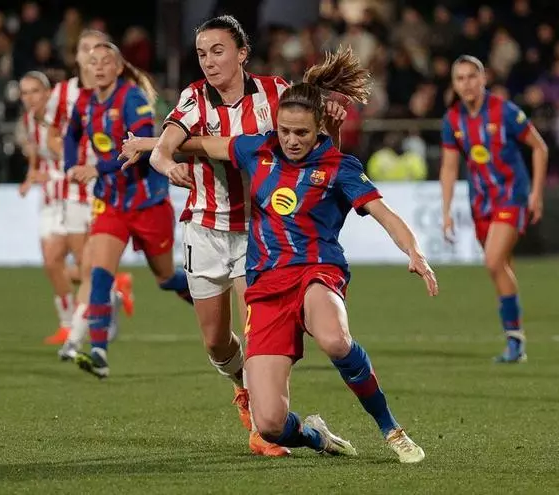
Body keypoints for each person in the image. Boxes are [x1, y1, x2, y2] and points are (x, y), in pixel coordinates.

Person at [126, 46, 437, 463]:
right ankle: (315, 435)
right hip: (267, 285)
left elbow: (384, 213)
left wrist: (414, 252)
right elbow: (200, 143)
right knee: (269, 422)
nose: (291, 140)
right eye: (285, 131)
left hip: (315, 271)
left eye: (302, 133)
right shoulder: (257, 148)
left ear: (318, 129)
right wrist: (149, 145)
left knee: (334, 338)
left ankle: (391, 430)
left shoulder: (338, 166)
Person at [146, 15, 346, 458]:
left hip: (258, 234)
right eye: (202, 53)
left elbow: (311, 136)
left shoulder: (275, 93)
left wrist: (331, 116)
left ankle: (263, 425)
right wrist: (166, 163)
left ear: (241, 53)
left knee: (259, 337)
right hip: (204, 229)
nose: (209, 61)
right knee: (217, 342)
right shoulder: (194, 99)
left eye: (218, 51)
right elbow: (164, 146)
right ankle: (242, 386)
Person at [64, 41, 193, 379]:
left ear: (119, 68)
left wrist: (96, 168)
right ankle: (99, 352)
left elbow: (143, 146)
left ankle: (208, 298)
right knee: (99, 274)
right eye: (93, 62)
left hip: (147, 201)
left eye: (107, 61)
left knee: (166, 279)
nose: (99, 67)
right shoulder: (84, 102)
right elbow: (70, 134)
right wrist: (69, 164)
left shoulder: (132, 99)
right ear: (87, 70)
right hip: (112, 202)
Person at [439, 55, 548, 363]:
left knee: (492, 261)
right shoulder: (453, 120)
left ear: (484, 78)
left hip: (512, 197)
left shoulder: (505, 111)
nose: (467, 83)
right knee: (501, 268)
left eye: (472, 76)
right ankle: (515, 340)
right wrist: (446, 211)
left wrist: (536, 194)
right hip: (480, 203)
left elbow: (539, 147)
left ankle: (515, 340)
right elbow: (449, 168)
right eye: (460, 78)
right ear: (454, 84)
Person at [44, 29, 133, 351]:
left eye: (97, 49)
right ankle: (111, 295)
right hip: (74, 190)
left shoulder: (122, 95)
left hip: (107, 187)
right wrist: (68, 159)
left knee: (90, 264)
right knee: (81, 264)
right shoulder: (64, 93)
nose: (90, 55)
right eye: (84, 49)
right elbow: (53, 132)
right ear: (78, 56)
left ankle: (86, 328)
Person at [18, 71, 78, 339]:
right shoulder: (29, 120)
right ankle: (112, 286)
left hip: (71, 195)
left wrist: (50, 175)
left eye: (35, 91)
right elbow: (34, 151)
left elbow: (75, 159)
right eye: (24, 93)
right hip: (49, 197)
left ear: (47, 93)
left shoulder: (62, 121)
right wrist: (31, 175)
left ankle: (72, 322)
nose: (29, 98)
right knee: (52, 264)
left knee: (58, 260)